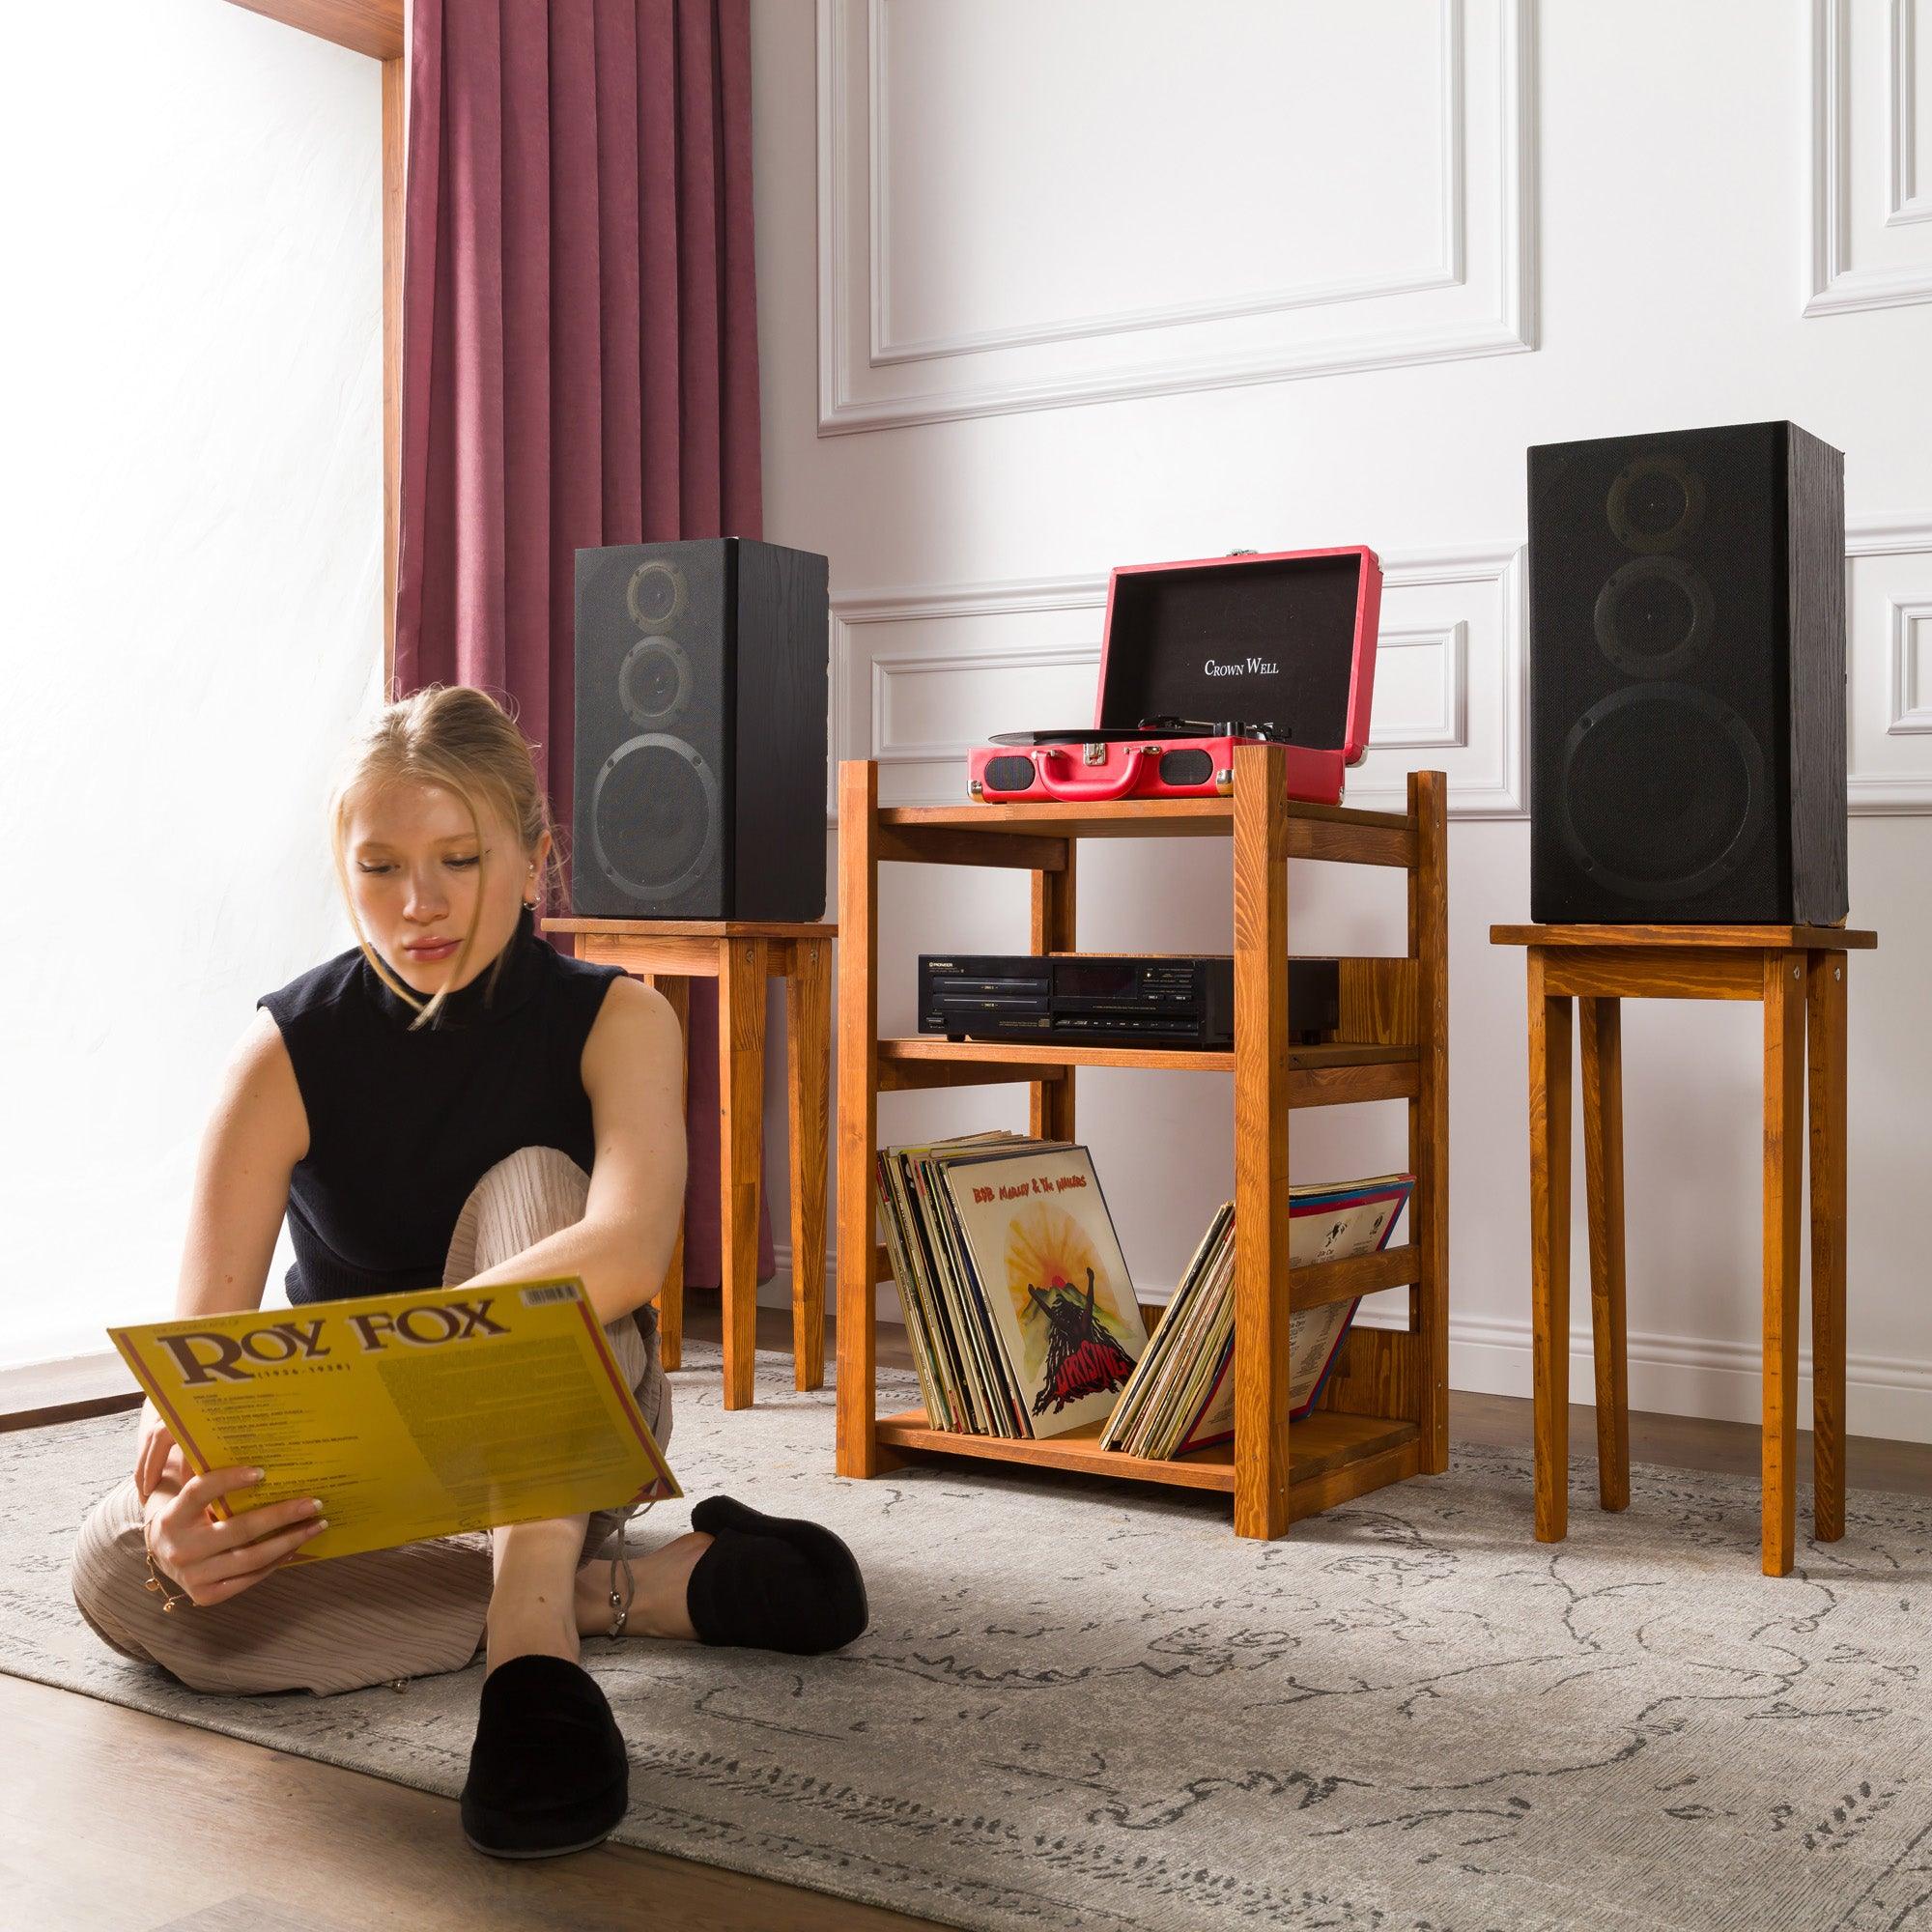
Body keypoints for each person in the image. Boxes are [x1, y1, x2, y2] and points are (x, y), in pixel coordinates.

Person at [69, 685, 867, 1860]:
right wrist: (175, 1505)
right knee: (119, 1575)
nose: (419, 903)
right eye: (381, 865)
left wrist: (417, 1343)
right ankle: (628, 1595)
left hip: (565, 1413)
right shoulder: (279, 1051)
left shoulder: (620, 1016)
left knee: (536, 1189)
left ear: (535, 856)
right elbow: (198, 1345)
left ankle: (533, 1643)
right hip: (362, 1463)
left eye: (458, 858)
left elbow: (632, 1243)